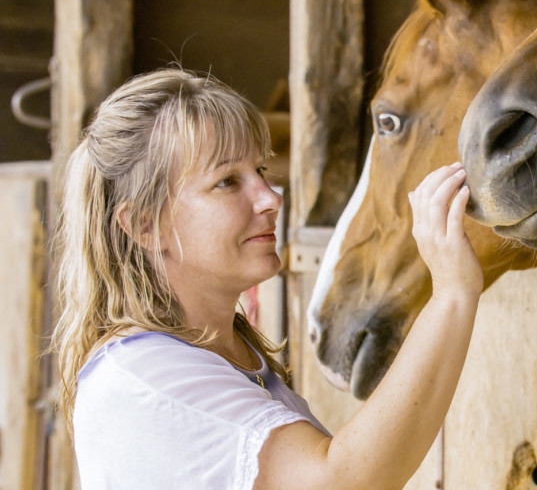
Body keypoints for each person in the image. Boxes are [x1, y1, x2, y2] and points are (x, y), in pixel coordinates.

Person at [49, 68, 482, 490]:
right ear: (145, 224)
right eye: (226, 182)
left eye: (260, 171)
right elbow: (342, 482)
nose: (271, 198)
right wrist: (452, 293)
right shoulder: (145, 376)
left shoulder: (215, 355)